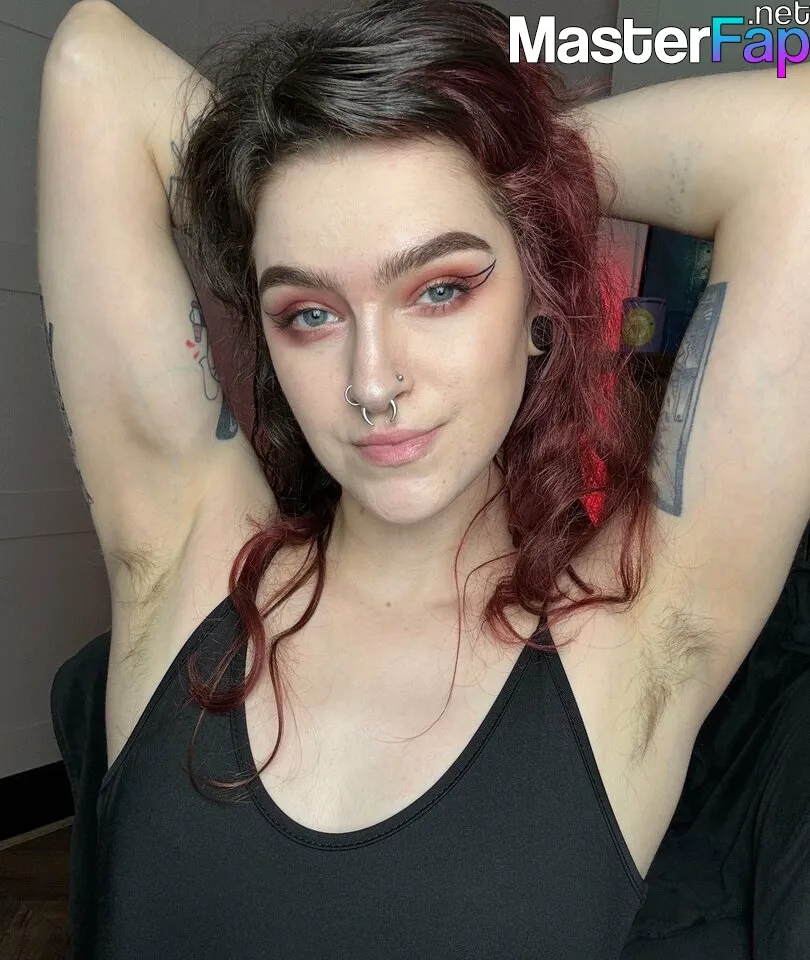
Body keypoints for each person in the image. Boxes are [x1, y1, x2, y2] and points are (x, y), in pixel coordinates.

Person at [38, 0, 810, 957]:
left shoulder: (635, 643)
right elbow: (94, 67)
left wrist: (502, 166)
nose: (373, 383)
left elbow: (794, 145)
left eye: (440, 288)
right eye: (309, 312)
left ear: (538, 299)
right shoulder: (182, 563)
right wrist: (290, 167)